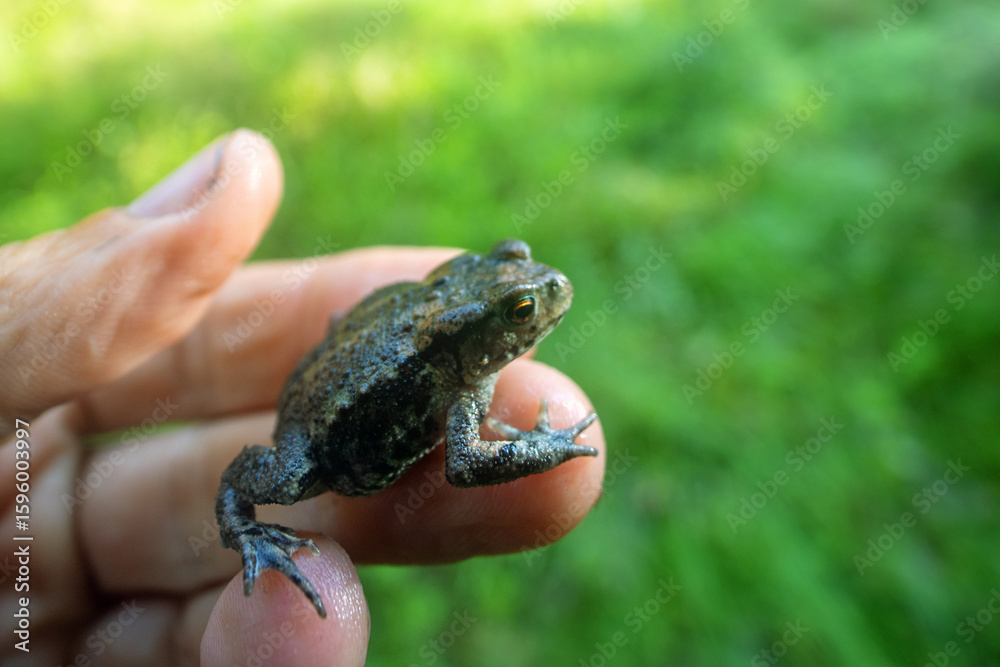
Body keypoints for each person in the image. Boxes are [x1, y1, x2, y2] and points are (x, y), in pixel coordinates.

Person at [0, 130, 605, 666]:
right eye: (521, 309)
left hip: (349, 360)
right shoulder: (460, 374)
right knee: (286, 474)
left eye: (521, 287)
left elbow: (459, 450)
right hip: (325, 438)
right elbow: (466, 462)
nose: (545, 292)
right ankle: (241, 528)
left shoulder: (462, 363)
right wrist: (542, 449)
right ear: (479, 329)